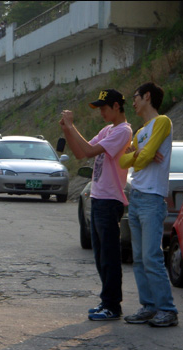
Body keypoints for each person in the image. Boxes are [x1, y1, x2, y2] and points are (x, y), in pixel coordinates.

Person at [59, 89, 132, 321]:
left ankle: (113, 305)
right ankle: (106, 301)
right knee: (101, 255)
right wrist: (67, 130)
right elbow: (82, 153)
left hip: (111, 200)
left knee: (110, 255)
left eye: (104, 107)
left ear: (117, 107)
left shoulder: (123, 131)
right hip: (98, 198)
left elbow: (89, 150)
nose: (101, 112)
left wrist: (71, 127)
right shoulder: (107, 130)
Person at [119, 82, 178, 327]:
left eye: (135, 97)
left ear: (147, 96)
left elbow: (140, 159)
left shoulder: (162, 122)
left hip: (153, 200)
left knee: (152, 257)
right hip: (136, 198)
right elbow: (124, 161)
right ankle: (148, 306)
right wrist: (141, 154)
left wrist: (141, 155)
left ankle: (167, 310)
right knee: (140, 259)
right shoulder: (140, 132)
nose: (132, 102)